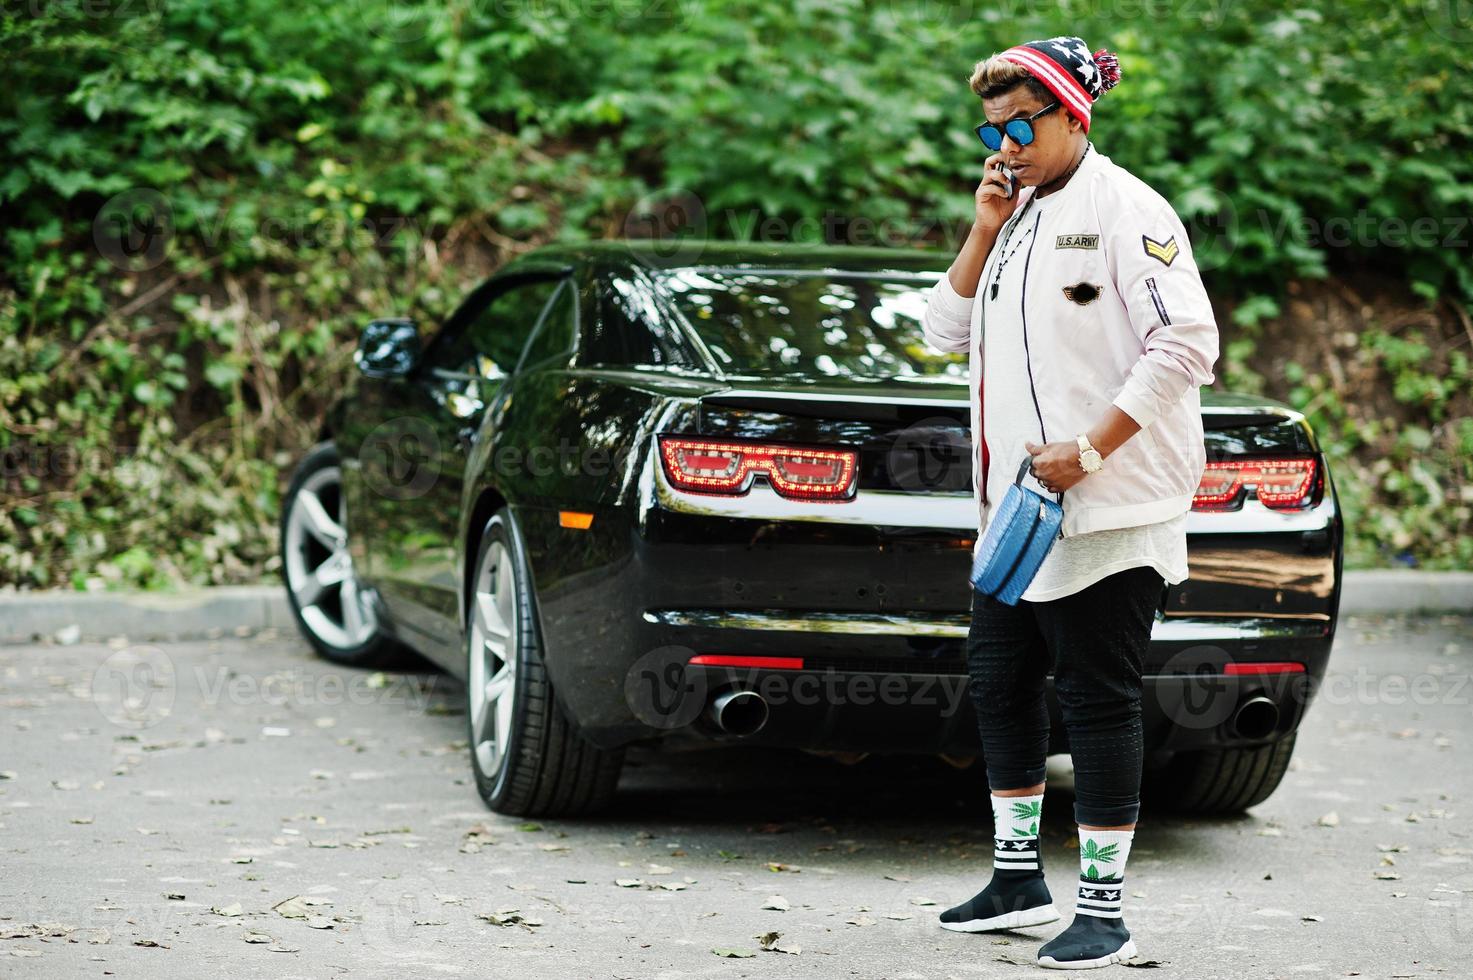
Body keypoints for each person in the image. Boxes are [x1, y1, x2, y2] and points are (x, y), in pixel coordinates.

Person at [919, 36, 1220, 969]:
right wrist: (979, 226)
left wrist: (1092, 449)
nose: (1003, 143)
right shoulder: (1010, 214)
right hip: (1017, 515)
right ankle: (1017, 878)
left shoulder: (1128, 209)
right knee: (998, 682)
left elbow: (1186, 345)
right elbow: (940, 334)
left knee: (1096, 699)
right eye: (990, 126)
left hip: (1113, 508)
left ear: (1071, 115)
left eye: (1021, 124)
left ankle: (1102, 907)